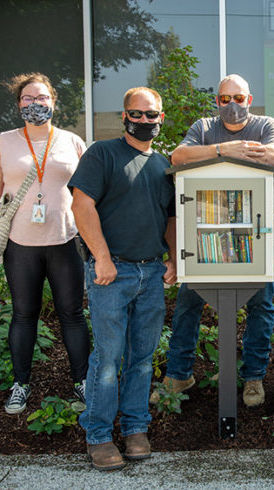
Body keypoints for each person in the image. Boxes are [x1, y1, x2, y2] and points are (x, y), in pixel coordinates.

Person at [151, 74, 274, 408]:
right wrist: (225, 149)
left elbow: (273, 158)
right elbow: (179, 158)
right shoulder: (205, 128)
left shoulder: (266, 124)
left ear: (249, 99)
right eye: (225, 99)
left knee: (260, 301)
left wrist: (210, 157)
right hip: (208, 227)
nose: (232, 105)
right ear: (217, 102)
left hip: (257, 225)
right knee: (189, 299)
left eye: (238, 98)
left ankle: (253, 377)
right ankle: (179, 375)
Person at [0, 73, 89, 416]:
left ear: (53, 101)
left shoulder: (72, 141)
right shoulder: (4, 142)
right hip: (19, 244)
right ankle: (21, 384)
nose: (35, 104)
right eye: (27, 98)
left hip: (65, 240)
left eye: (41, 98)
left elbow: (87, 194)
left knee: (73, 315)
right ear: (18, 103)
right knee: (23, 315)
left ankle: (83, 381)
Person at [70, 87, 176, 471]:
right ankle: (98, 434)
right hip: (111, 273)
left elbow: (170, 217)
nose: (145, 120)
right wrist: (101, 258)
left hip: (151, 272)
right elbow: (81, 205)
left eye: (152, 115)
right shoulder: (103, 153)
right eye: (138, 113)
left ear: (160, 119)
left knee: (143, 359)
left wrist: (173, 260)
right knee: (109, 358)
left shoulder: (163, 164)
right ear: (125, 115)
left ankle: (135, 428)